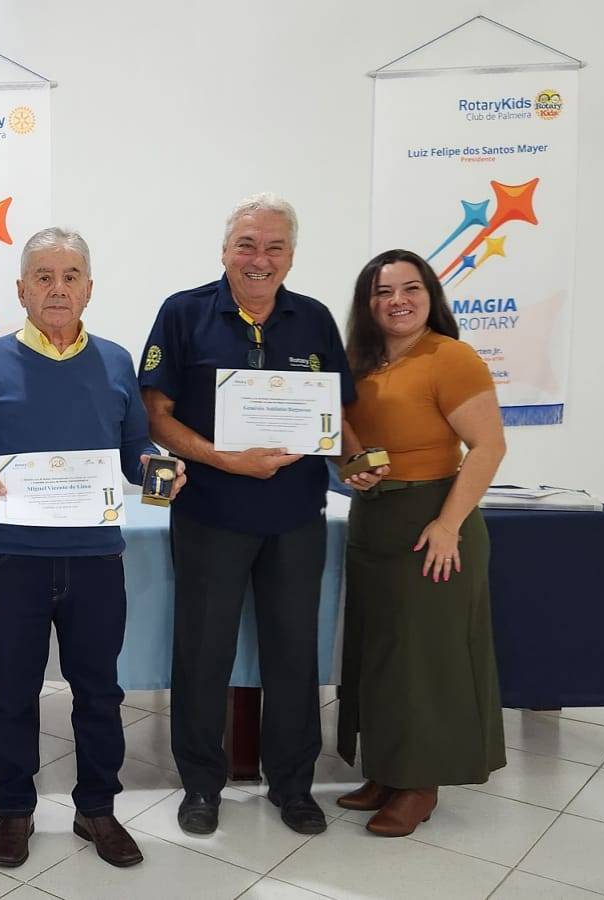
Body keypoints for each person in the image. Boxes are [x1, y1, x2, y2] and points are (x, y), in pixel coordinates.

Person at [0, 227, 182, 870]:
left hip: (95, 560)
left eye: (70, 276)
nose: (57, 288)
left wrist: (161, 470)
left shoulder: (114, 360)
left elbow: (137, 450)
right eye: (43, 276)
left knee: (100, 693)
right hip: (12, 559)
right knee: (11, 693)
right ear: (20, 289)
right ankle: (14, 811)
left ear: (89, 289)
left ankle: (97, 809)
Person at [138, 193, 354, 837]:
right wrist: (223, 460)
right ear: (225, 250)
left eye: (274, 247)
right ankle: (201, 785)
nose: (259, 259)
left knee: (294, 653)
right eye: (247, 245)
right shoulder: (183, 314)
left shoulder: (314, 319)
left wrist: (359, 458)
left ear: (291, 255)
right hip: (211, 510)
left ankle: (293, 786)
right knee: (203, 654)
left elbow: (336, 416)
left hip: (295, 515)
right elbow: (155, 415)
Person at [333, 248, 507, 836]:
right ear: (368, 303)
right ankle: (386, 769)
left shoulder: (450, 357)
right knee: (378, 652)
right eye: (383, 291)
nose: (398, 300)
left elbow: (488, 448)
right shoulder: (359, 364)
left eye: (411, 288)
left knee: (425, 659)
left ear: (431, 294)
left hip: (434, 522)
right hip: (374, 521)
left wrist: (448, 524)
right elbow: (347, 445)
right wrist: (350, 469)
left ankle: (420, 784)